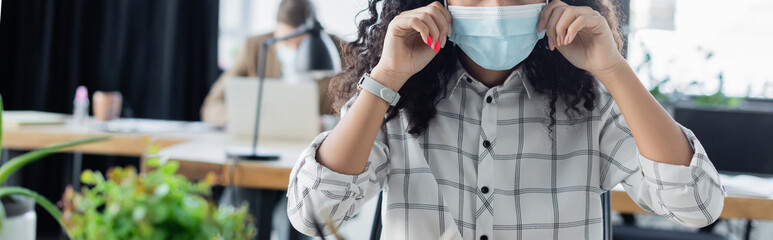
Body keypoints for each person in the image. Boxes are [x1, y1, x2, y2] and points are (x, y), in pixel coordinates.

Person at [287, 0, 725, 239]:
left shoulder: (593, 104)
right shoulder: (393, 99)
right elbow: (311, 212)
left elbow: (698, 204)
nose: (496, 5)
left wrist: (612, 69)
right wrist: (385, 76)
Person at [201, 0, 345, 126]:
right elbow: (213, 106)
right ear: (276, 30)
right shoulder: (255, 48)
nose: (293, 49)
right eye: (286, 41)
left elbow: (355, 113)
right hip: (266, 141)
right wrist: (242, 119)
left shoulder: (340, 51)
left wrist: (326, 124)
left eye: (301, 44)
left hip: (314, 144)